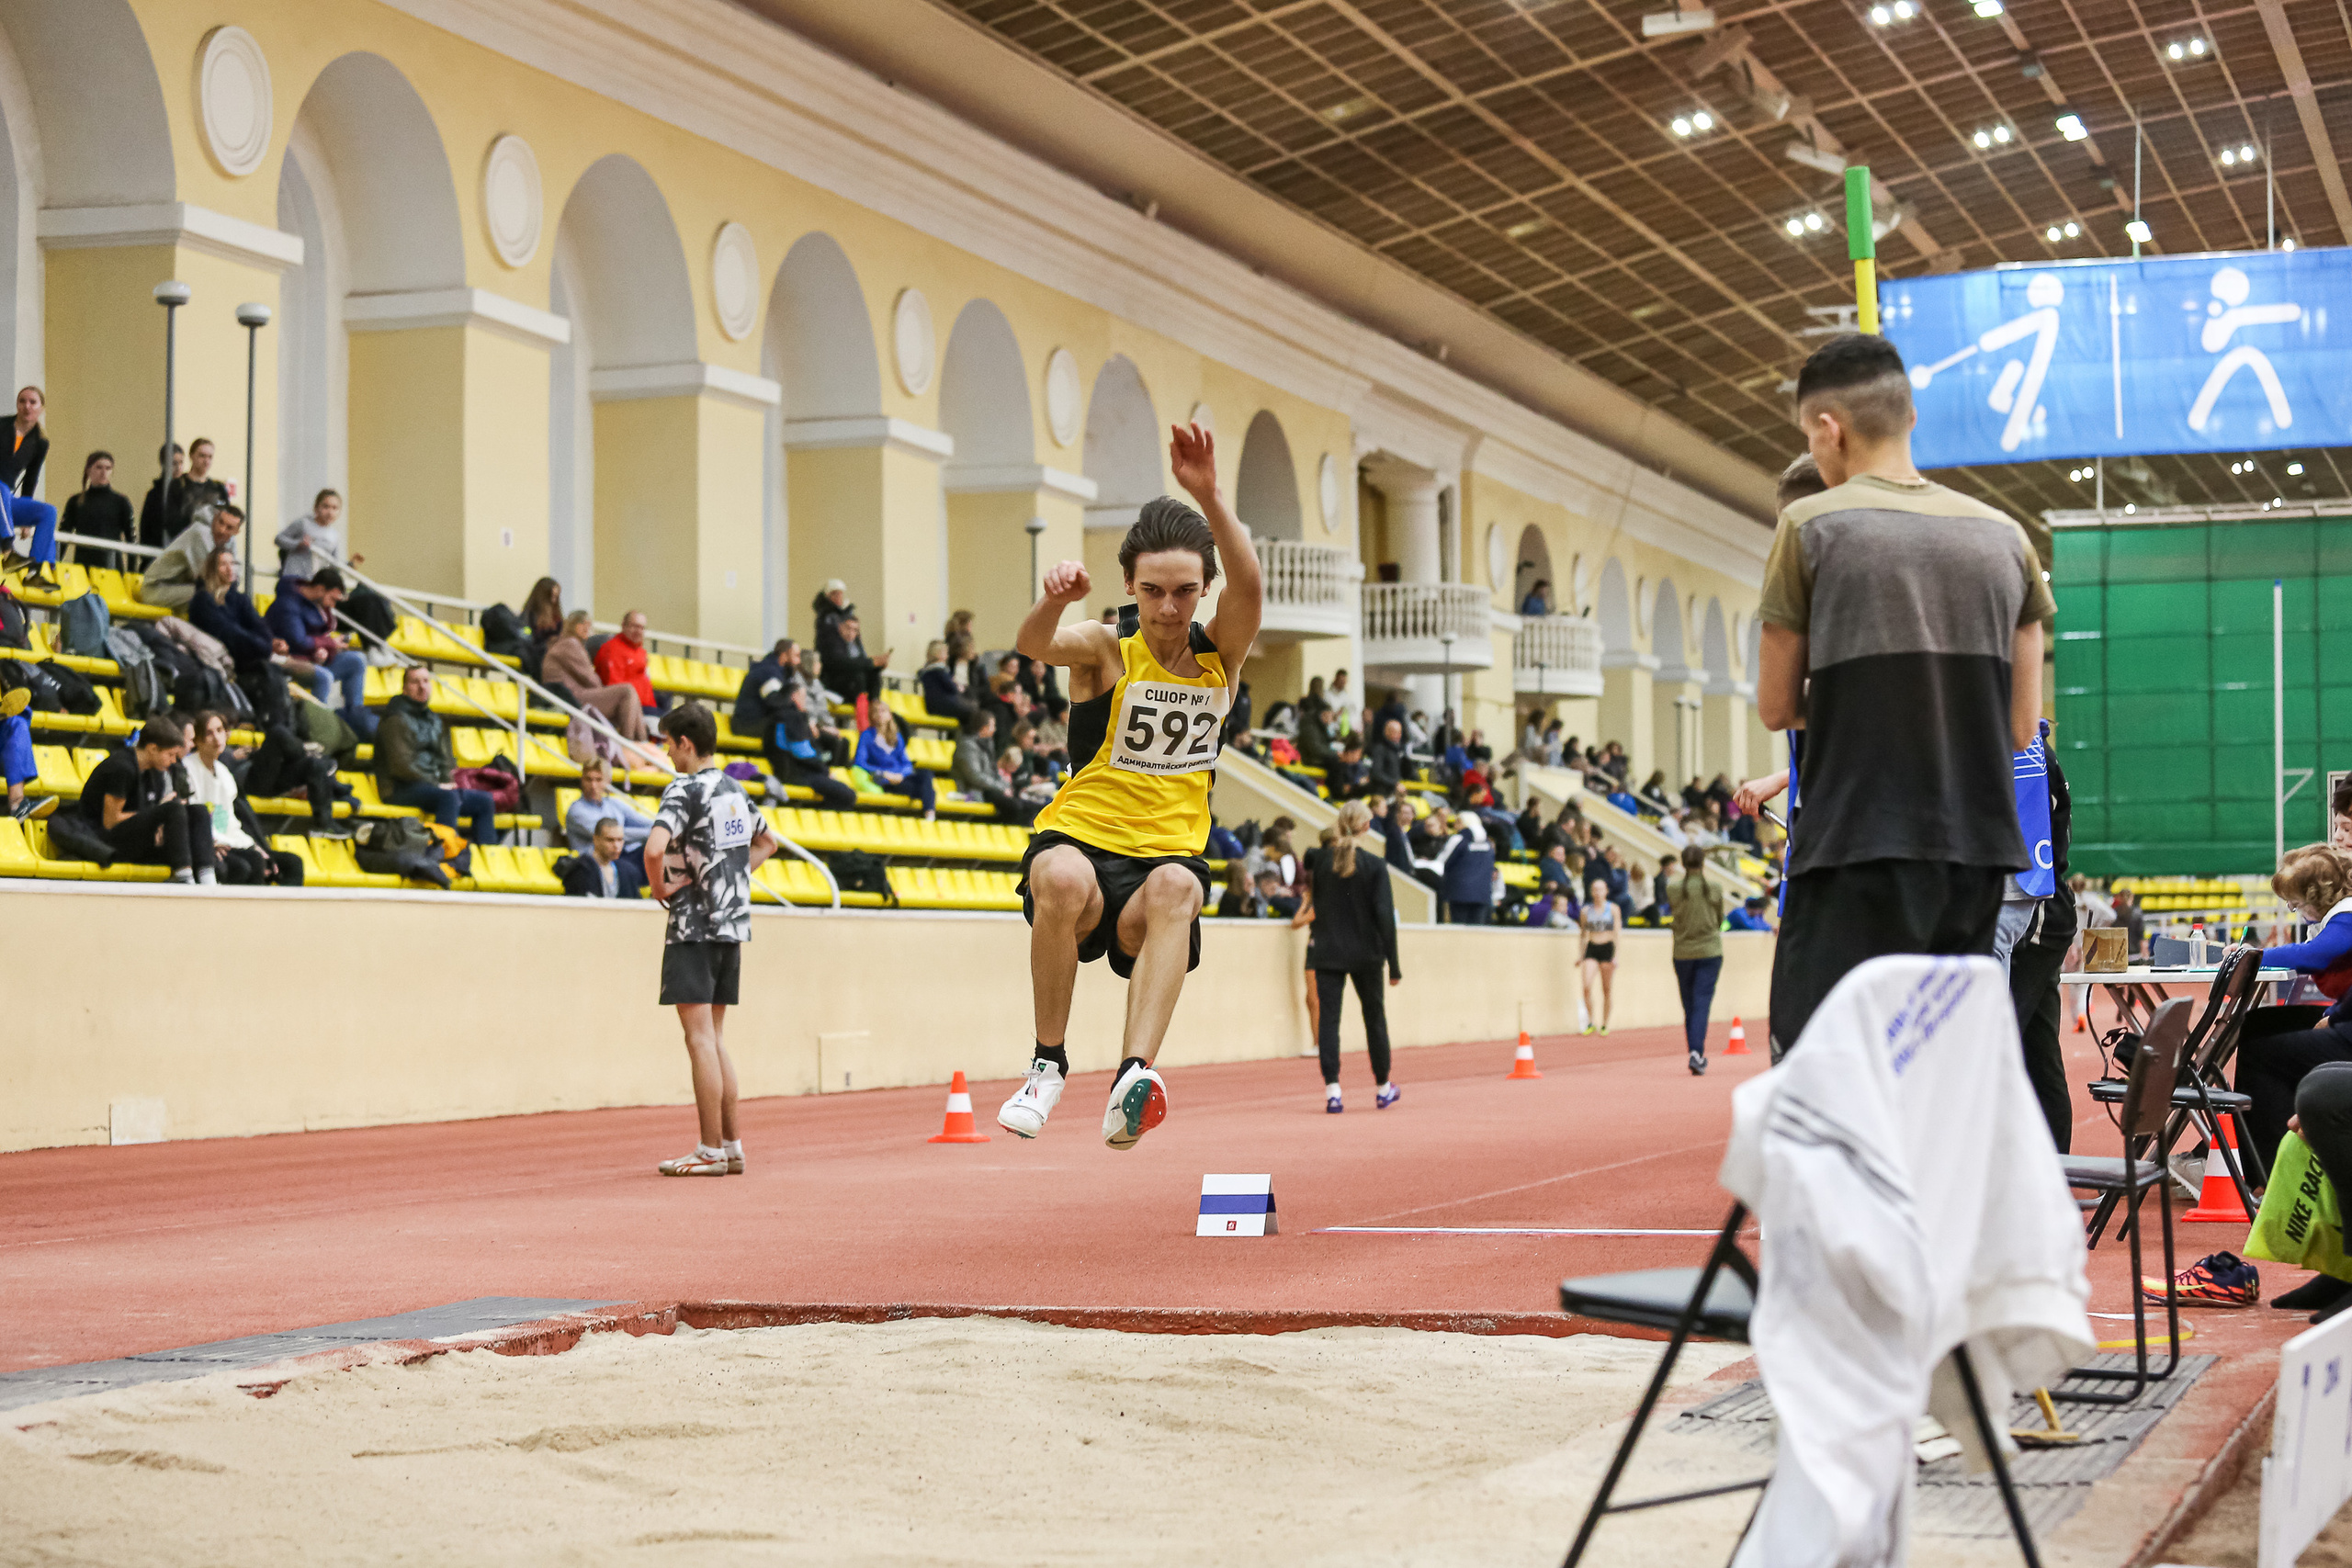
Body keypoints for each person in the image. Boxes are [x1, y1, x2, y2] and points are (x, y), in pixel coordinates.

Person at [1756, 332, 2050, 1057]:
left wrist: (1873, 703)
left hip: (1858, 844)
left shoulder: (1808, 525)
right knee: (1935, 1069)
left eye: (1810, 438)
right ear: (1910, 417)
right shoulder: (2008, 538)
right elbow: (2020, 727)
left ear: (1829, 429)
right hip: (1976, 856)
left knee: (1822, 1064)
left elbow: (1775, 704)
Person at [995, 421, 1262, 1149]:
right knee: (1054, 873)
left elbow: (1253, 583)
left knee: (1184, 889)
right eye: (1152, 591)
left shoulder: (1221, 656)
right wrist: (1053, 600)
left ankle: (1131, 1079)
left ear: (1204, 590)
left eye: (1183, 592)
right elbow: (1033, 645)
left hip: (1162, 862)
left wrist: (1208, 493)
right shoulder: (1109, 645)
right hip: (1084, 837)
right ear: (1129, 586)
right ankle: (1047, 1065)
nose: (1169, 608)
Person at [641, 701, 780, 1177]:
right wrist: (733, 879)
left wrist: (661, 888)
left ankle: (709, 1148)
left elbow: (655, 847)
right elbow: (768, 843)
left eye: (668, 744)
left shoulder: (684, 788)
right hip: (731, 924)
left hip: (692, 925)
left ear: (685, 743)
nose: (668, 754)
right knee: (716, 1037)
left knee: (698, 1039)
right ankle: (732, 1144)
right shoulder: (734, 789)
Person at [1291, 800, 1401, 1112]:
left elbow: (1311, 856)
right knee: (1374, 1019)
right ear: (1367, 827)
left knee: (1329, 1022)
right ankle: (1382, 1086)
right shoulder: (1375, 866)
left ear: (1340, 826)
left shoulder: (1321, 863)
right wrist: (1394, 964)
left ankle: (1333, 1091)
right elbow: (1385, 918)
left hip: (1327, 952)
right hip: (1367, 953)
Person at [81, 717, 215, 884]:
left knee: (199, 811)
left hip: (133, 837)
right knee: (172, 809)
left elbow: (147, 813)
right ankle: (185, 879)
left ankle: (208, 879)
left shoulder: (153, 770)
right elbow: (110, 822)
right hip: (102, 840)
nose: (174, 761)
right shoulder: (122, 768)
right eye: (170, 755)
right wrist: (156, 818)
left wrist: (157, 822)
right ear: (152, 749)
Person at [375, 665, 498, 844]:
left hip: (431, 786)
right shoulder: (395, 718)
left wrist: (447, 780)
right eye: (415, 682)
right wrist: (437, 784)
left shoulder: (433, 719)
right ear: (404, 688)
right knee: (448, 797)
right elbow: (400, 766)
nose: (422, 686)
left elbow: (444, 759)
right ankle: (443, 852)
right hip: (399, 788)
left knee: (485, 801)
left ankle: (487, 858)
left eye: (426, 681)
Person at [180, 710, 304, 886]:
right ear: (197, 740)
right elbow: (194, 815)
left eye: (220, 730)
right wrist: (214, 842)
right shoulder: (188, 769)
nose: (216, 738)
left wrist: (254, 846)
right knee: (249, 864)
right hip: (207, 843)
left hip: (227, 840)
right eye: (209, 733)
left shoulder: (224, 772)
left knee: (291, 862)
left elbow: (228, 821)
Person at [265, 566, 377, 740]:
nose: (333, 605)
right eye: (332, 599)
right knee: (324, 677)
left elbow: (314, 639)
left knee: (357, 660)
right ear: (319, 589)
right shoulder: (287, 604)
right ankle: (314, 731)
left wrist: (324, 649)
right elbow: (297, 641)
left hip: (311, 658)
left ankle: (355, 719)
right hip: (286, 661)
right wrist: (330, 644)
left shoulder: (318, 607)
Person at [542, 610, 650, 748]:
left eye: (589, 625)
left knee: (630, 696)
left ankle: (642, 743)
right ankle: (629, 744)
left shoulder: (569, 644)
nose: (588, 629)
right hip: (570, 698)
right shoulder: (570, 644)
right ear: (576, 625)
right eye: (585, 624)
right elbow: (591, 680)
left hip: (573, 694)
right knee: (627, 691)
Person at [1666, 845, 1726, 1076]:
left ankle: (1694, 1050)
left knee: (1689, 1005)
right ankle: (1696, 1052)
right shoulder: (1714, 888)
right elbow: (1720, 919)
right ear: (1703, 863)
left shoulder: (1673, 888)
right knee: (1702, 1003)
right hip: (1710, 950)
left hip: (1682, 952)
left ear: (1682, 863)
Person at [139, 503, 243, 611]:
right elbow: (210, 577)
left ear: (236, 532)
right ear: (216, 518)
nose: (222, 530)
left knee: (230, 600)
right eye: (220, 522)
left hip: (184, 588)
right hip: (156, 589)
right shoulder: (200, 533)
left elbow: (234, 577)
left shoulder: (229, 541)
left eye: (229, 528)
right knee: (211, 597)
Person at [56, 451, 133, 576]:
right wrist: (54, 565)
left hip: (111, 570)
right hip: (83, 568)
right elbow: (63, 536)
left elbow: (131, 540)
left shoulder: (121, 502)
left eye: (108, 468)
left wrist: (131, 573)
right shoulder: (76, 501)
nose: (104, 473)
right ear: (88, 470)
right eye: (99, 467)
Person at [952, 710, 1034, 825]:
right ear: (984, 728)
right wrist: (1000, 787)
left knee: (1028, 805)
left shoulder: (987, 743)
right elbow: (974, 777)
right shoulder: (967, 746)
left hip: (989, 788)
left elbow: (992, 771)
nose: (995, 729)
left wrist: (1005, 786)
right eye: (993, 726)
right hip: (973, 791)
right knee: (1014, 807)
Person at [854, 707, 935, 818]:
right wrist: (884, 773)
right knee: (928, 791)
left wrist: (901, 775)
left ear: (890, 715)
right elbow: (859, 762)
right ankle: (930, 814)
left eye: (883, 711)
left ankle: (929, 813)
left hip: (900, 776)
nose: (880, 714)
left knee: (926, 773)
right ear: (872, 716)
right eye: (876, 711)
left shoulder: (896, 737)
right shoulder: (867, 736)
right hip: (885, 779)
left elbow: (906, 763)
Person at [567, 756, 654, 853]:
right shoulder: (577, 810)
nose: (593, 786)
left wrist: (663, 829)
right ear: (582, 780)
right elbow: (609, 835)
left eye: (598, 780)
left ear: (607, 781)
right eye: (588, 779)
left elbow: (644, 822)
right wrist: (651, 834)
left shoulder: (613, 803)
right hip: (594, 863)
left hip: (622, 855)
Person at [275, 489, 360, 583]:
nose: (330, 512)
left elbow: (333, 563)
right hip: (294, 579)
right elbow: (279, 539)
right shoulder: (304, 524)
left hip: (315, 584)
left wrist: (349, 564)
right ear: (316, 507)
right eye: (326, 507)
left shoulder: (334, 535)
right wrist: (298, 544)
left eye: (335, 508)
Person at [564, 816, 648, 899]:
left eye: (620, 840)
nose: (616, 846)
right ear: (596, 839)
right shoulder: (580, 869)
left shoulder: (628, 871)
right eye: (610, 840)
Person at [595, 609, 659, 713]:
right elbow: (615, 687)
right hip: (631, 708)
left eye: (642, 628)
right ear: (623, 626)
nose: (638, 631)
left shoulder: (641, 651)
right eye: (634, 626)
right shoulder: (612, 649)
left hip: (648, 705)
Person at [1579, 878, 1620, 1033]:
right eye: (1595, 889)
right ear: (1591, 892)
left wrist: (1616, 956)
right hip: (1592, 948)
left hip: (1607, 948)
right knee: (1586, 986)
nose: (1597, 893)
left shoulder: (1613, 909)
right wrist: (1580, 955)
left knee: (1606, 988)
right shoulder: (1585, 911)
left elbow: (1617, 934)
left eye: (1600, 889)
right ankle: (1590, 1021)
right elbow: (1583, 935)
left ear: (1606, 891)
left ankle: (1604, 1024)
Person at [139, 443, 189, 550]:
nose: (179, 468)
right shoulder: (154, 495)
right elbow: (146, 530)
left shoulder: (187, 492)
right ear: (163, 464)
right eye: (174, 463)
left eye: (181, 462)